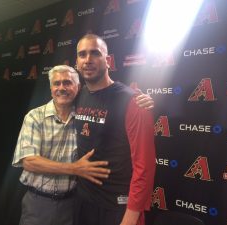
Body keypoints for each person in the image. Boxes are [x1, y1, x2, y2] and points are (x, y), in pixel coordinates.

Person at [12, 65, 111, 225]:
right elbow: (29, 162)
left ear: (78, 87)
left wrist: (137, 98)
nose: (61, 88)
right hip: (38, 204)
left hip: (72, 205)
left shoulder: (85, 117)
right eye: (56, 83)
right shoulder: (35, 117)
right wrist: (75, 168)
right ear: (51, 88)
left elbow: (113, 99)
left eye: (67, 83)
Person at [74, 34, 156, 225]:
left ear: (108, 60)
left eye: (95, 53)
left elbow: (144, 167)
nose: (88, 60)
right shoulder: (78, 95)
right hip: (83, 204)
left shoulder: (133, 102)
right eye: (82, 54)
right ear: (76, 62)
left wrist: (130, 217)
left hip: (117, 209)